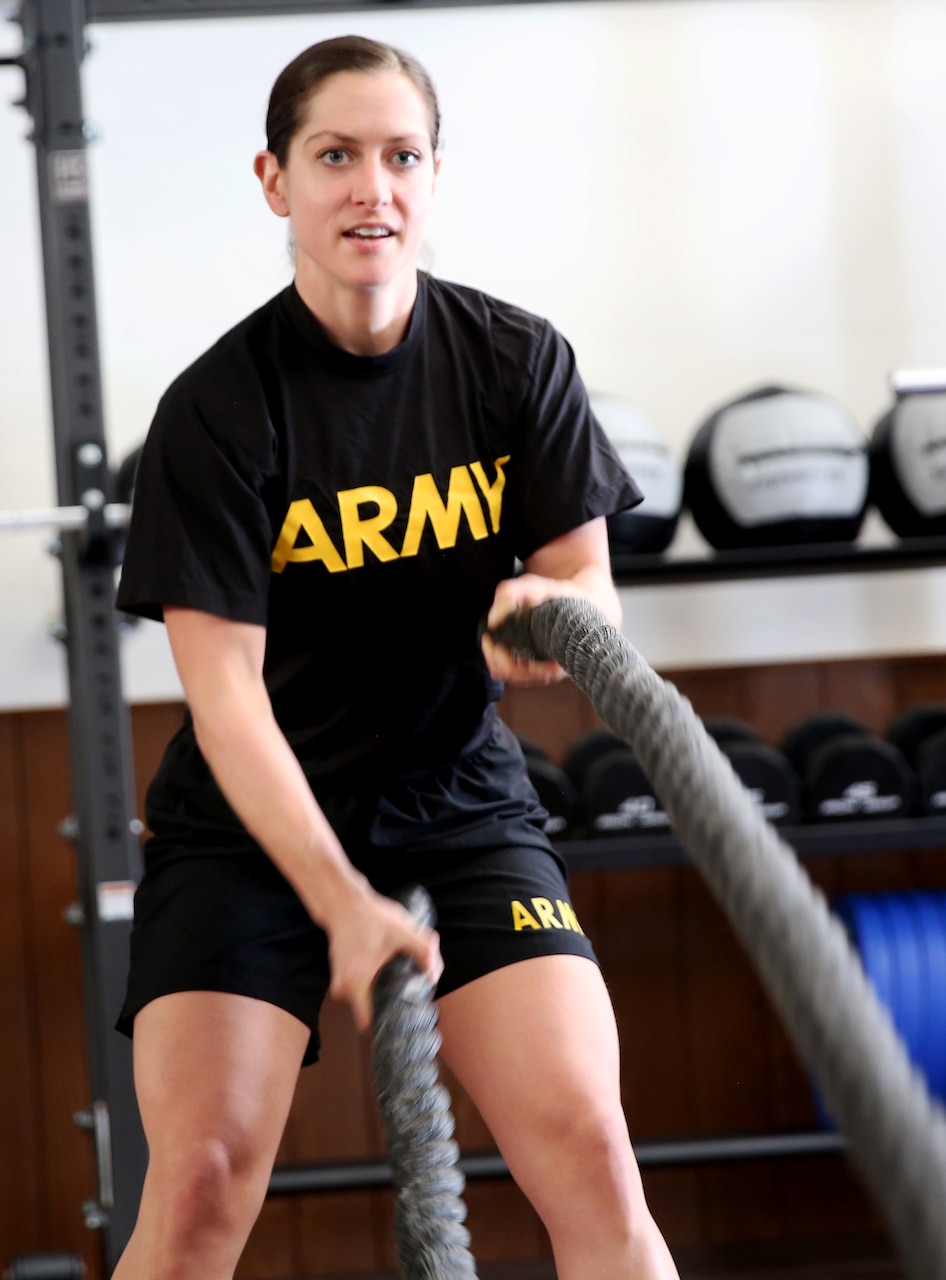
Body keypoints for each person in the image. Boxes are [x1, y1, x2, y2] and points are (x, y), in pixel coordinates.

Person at [111, 33, 680, 1280]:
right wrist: (338, 901)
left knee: (590, 1149)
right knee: (202, 1179)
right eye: (335, 156)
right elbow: (224, 699)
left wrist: (546, 602)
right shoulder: (216, 409)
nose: (373, 186)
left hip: (459, 801)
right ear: (277, 181)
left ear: (432, 176)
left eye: (400, 155)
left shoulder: (514, 359)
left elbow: (590, 585)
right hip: (251, 828)